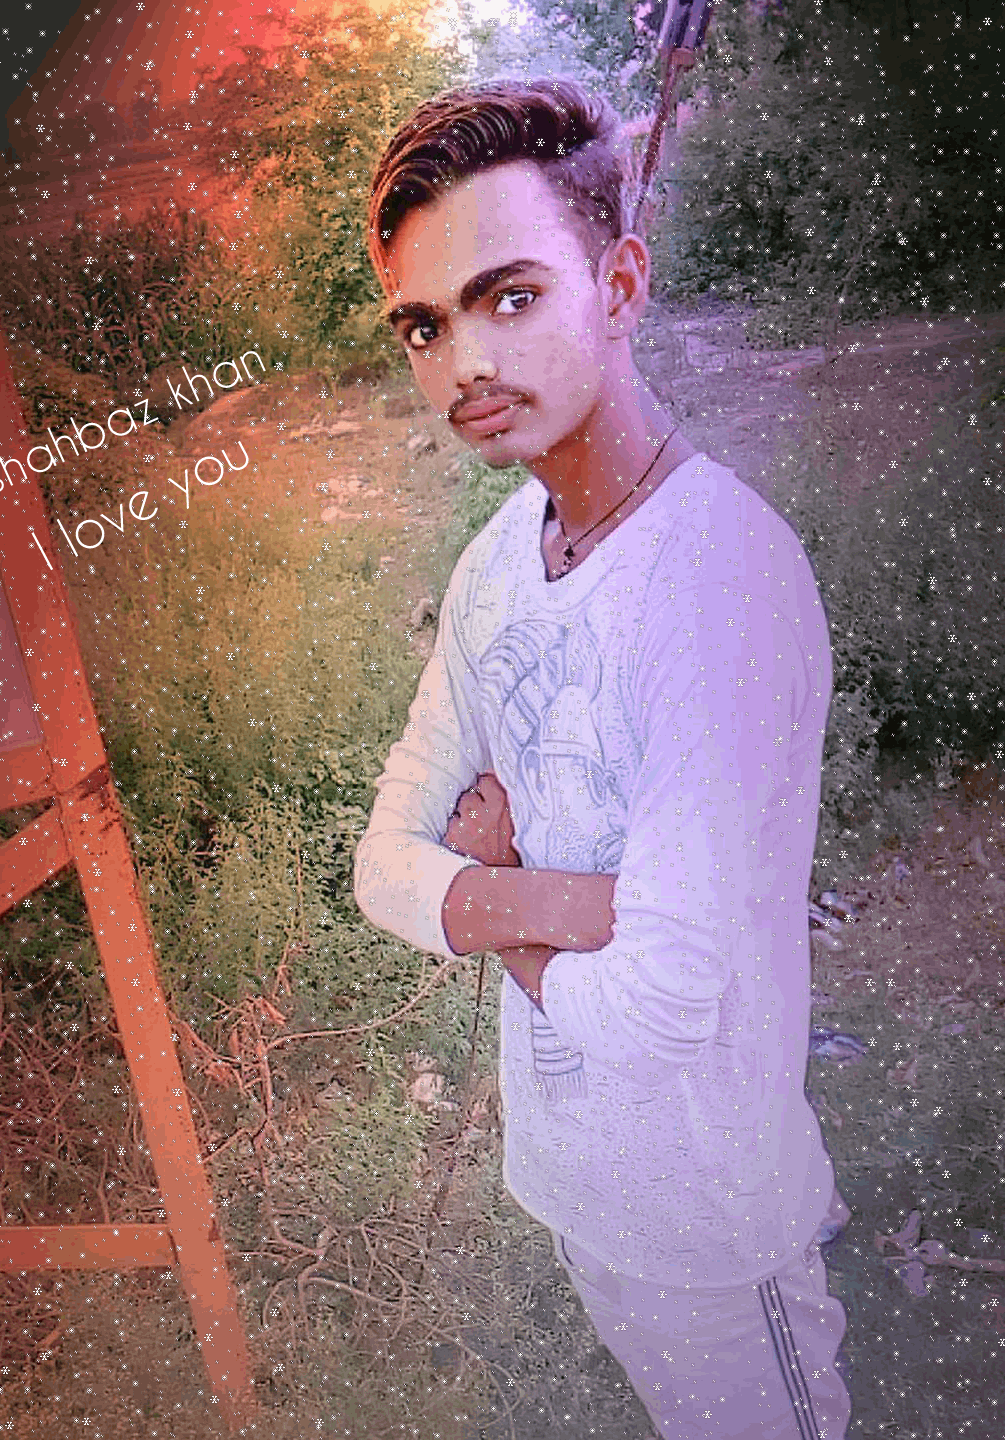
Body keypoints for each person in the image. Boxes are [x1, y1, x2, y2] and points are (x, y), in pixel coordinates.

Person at [353, 77, 851, 1440]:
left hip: (714, 1216)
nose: (463, 363)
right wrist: (578, 903)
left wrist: (495, 889)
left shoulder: (719, 582)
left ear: (620, 286)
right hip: (577, 1181)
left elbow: (665, 1006)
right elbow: (381, 867)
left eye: (509, 298)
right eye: (425, 324)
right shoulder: (494, 568)